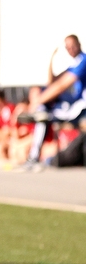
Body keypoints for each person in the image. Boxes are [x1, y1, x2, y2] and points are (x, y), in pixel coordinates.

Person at [23, 35, 86, 167]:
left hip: (80, 108)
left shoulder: (83, 61)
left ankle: (34, 158)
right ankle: (33, 157)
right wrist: (52, 58)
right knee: (42, 114)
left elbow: (61, 85)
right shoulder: (73, 64)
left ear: (79, 44)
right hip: (72, 107)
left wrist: (36, 102)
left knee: (42, 113)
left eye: (73, 45)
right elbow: (52, 82)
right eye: (67, 47)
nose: (71, 49)